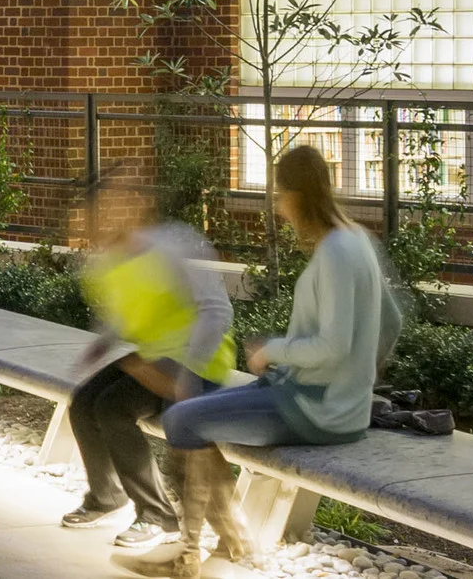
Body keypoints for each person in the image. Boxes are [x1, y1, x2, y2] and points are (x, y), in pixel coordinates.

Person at [122, 144, 406, 578]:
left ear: (295, 195)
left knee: (181, 419)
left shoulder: (334, 253)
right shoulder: (358, 240)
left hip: (315, 409)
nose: (277, 206)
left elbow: (331, 346)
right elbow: (392, 320)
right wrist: (356, 382)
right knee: (195, 413)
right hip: (324, 400)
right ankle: (229, 538)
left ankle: (188, 555)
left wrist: (271, 352)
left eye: (279, 195)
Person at [62, 174, 235, 553]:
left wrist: (191, 373)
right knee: (83, 403)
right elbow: (123, 317)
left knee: (112, 408)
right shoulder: (107, 261)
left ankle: (157, 515)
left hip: (197, 358)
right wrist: (98, 346)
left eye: (107, 210)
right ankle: (106, 496)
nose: (99, 222)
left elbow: (217, 310)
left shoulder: (175, 244)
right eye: (94, 214)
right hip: (152, 356)